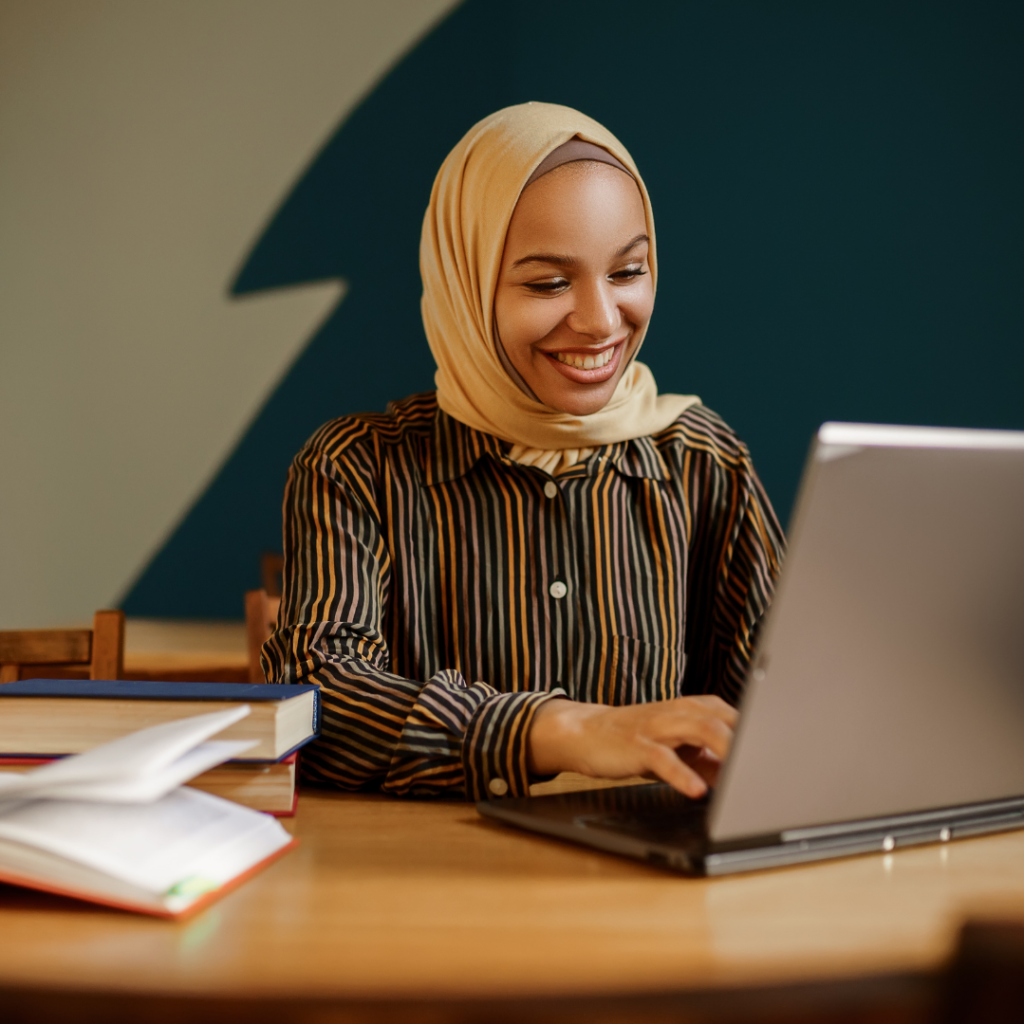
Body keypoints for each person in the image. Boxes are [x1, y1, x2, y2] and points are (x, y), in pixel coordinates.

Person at [263, 103, 785, 802]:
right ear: (465, 282)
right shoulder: (357, 467)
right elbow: (317, 702)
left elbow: (784, 708)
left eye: (628, 271)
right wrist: (560, 730)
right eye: (548, 283)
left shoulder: (701, 461)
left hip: (650, 893)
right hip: (430, 890)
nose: (601, 321)